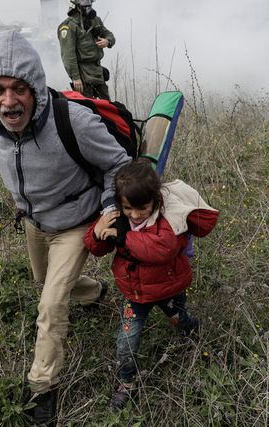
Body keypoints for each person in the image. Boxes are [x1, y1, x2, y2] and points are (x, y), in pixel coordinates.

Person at [0, 30, 131, 425]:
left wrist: (107, 209)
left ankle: (41, 387)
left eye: (19, 88)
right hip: (34, 222)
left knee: (51, 304)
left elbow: (118, 164)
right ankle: (95, 292)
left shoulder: (74, 120)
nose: (8, 101)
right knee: (43, 280)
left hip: (75, 222)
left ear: (35, 87)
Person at [83, 159, 218, 410]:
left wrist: (123, 237)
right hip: (134, 295)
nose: (134, 214)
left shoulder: (169, 219)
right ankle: (127, 383)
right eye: (127, 208)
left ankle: (195, 335)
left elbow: (161, 250)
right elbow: (95, 247)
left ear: (155, 201)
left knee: (180, 318)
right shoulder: (119, 218)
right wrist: (97, 231)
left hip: (168, 289)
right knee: (126, 341)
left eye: (141, 208)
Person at [58, 0, 115, 100]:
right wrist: (75, 77)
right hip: (83, 73)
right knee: (89, 107)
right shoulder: (68, 26)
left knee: (107, 105)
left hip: (97, 70)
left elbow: (109, 35)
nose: (87, 3)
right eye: (83, 0)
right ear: (75, 4)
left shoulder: (95, 21)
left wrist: (107, 41)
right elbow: (68, 55)